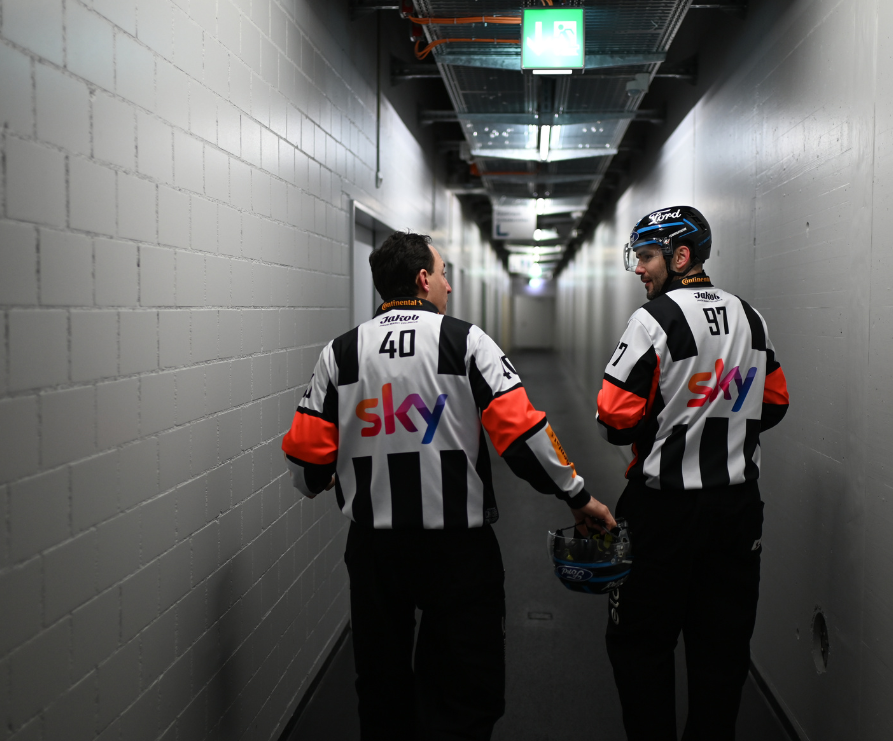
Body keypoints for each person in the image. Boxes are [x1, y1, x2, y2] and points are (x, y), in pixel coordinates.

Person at [281, 231, 616, 740]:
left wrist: (339, 469)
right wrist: (576, 494)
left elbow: (306, 469)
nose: (448, 287)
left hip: (375, 553)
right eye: (443, 274)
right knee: (464, 692)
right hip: (457, 552)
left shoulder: (340, 353)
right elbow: (524, 437)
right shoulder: (466, 341)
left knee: (381, 687)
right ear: (422, 280)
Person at [596, 206, 790, 740]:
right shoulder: (751, 317)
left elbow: (613, 418)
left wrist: (673, 416)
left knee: (640, 645)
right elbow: (775, 403)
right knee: (722, 653)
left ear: (682, 257)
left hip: (663, 514)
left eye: (647, 257)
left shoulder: (653, 318)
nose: (639, 268)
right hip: (736, 513)